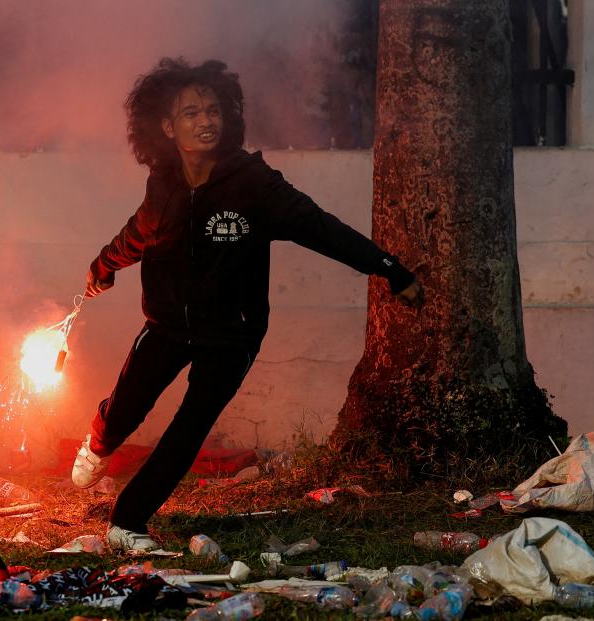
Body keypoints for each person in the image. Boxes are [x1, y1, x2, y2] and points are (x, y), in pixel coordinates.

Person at [72, 58, 423, 552]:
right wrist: (103, 266)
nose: (206, 121)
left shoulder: (255, 184)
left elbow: (321, 228)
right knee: (125, 406)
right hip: (167, 323)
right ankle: (100, 445)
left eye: (213, 110)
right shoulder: (165, 182)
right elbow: (140, 231)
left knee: (188, 427)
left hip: (231, 335)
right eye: (191, 113)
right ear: (167, 126)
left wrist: (389, 268)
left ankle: (127, 521)